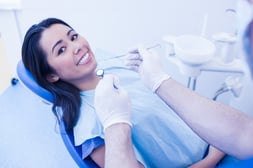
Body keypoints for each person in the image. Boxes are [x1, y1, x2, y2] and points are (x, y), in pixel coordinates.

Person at [21, 17, 224, 167]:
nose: (77, 47)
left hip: (210, 136)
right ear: (51, 76)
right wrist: (214, 156)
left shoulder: (106, 62)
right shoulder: (89, 128)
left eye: (73, 36)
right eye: (61, 50)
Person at [94, 0, 253, 167]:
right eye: (62, 49)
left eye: (74, 36)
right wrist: (160, 81)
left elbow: (243, 135)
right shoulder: (86, 125)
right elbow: (244, 133)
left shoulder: (117, 72)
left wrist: (115, 125)